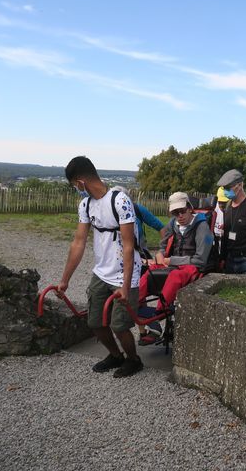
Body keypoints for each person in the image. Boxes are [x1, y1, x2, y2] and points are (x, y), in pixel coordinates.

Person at [58, 156, 143, 378]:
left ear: (80, 182)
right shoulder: (86, 204)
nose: (76, 189)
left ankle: (134, 360)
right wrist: (64, 280)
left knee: (119, 325)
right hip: (102, 272)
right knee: (94, 321)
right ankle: (115, 355)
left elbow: (128, 246)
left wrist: (125, 286)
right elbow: (78, 242)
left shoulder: (120, 201)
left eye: (74, 185)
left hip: (125, 274)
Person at [137, 192, 213, 344]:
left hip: (192, 265)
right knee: (149, 273)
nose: (179, 216)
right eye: (175, 212)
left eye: (182, 211)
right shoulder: (173, 224)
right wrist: (160, 253)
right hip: (172, 264)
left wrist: (172, 259)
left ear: (190, 208)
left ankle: (160, 311)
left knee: (175, 277)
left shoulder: (202, 227)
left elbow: (201, 260)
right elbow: (164, 244)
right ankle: (133, 301)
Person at [214, 186, 230, 253]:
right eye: (220, 201)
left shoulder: (233, 210)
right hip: (215, 240)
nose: (222, 204)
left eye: (225, 202)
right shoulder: (214, 207)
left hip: (227, 243)